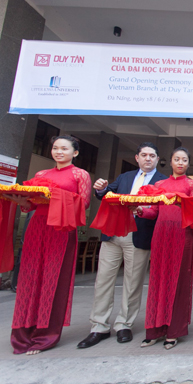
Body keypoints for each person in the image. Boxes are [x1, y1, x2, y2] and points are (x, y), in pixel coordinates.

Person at [77, 142, 166, 349]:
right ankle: (99, 326)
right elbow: (107, 194)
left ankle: (124, 324)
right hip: (113, 234)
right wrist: (101, 189)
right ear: (137, 158)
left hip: (139, 235)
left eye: (152, 155)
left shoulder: (162, 181)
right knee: (103, 281)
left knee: (132, 283)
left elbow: (162, 209)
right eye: (144, 155)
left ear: (157, 159)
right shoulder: (125, 177)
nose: (148, 158)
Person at [8, 136, 91, 355]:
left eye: (64, 148)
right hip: (37, 226)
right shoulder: (41, 175)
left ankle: (45, 334)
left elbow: (83, 203)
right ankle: (22, 333)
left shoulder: (79, 174)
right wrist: (21, 202)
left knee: (54, 279)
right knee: (29, 277)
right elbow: (31, 204)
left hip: (61, 229)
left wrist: (54, 196)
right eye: (55, 148)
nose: (59, 151)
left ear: (75, 153)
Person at [136, 147, 193, 350]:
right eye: (176, 159)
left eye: (184, 160)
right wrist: (140, 211)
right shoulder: (160, 184)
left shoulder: (192, 184)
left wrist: (182, 204)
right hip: (161, 234)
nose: (180, 163)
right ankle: (154, 330)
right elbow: (153, 211)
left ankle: (174, 331)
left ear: (188, 164)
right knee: (158, 280)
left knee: (179, 281)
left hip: (182, 235)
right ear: (170, 162)